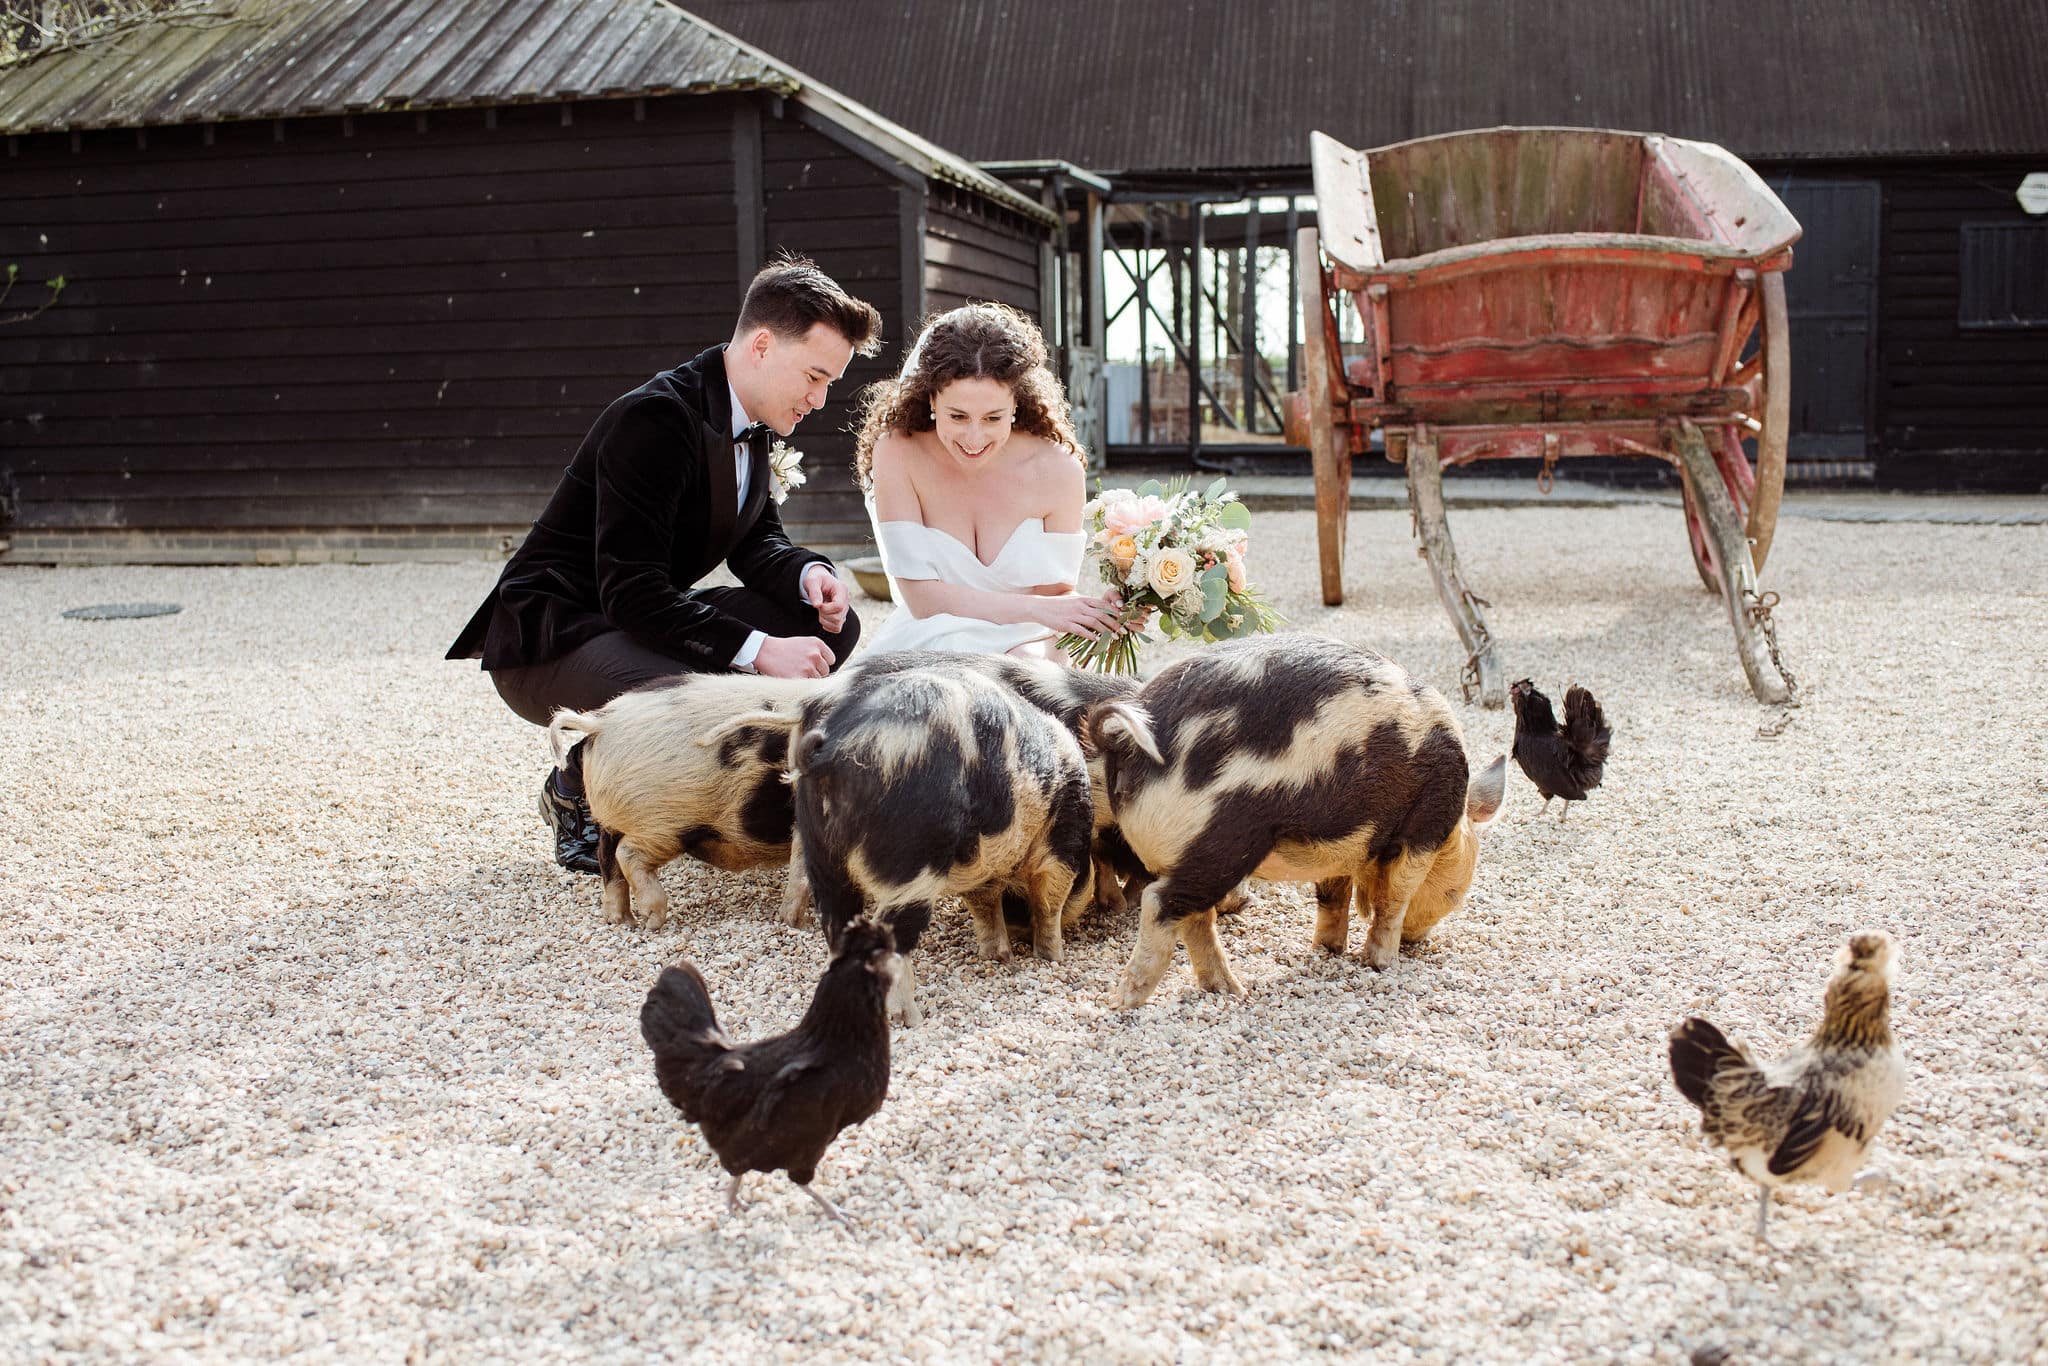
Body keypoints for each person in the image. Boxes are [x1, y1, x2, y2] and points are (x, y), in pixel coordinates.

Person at [448, 256, 883, 873]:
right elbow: (630, 589)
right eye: (815, 376)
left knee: (831, 628)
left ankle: (749, 794)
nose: (819, 399)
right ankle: (578, 790)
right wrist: (758, 650)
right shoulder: (652, 419)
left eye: (830, 383)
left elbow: (759, 543)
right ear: (762, 345)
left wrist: (809, 575)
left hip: (632, 620)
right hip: (553, 637)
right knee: (688, 687)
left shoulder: (751, 424)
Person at [854, 303, 1123, 661]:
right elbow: (922, 599)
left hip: (1027, 641)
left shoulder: (1059, 470)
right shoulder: (896, 454)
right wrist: (1035, 608)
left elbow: (1055, 596)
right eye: (958, 416)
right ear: (932, 398)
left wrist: (1098, 611)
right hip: (929, 636)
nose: (974, 438)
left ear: (1016, 403)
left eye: (993, 417)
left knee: (1028, 670)